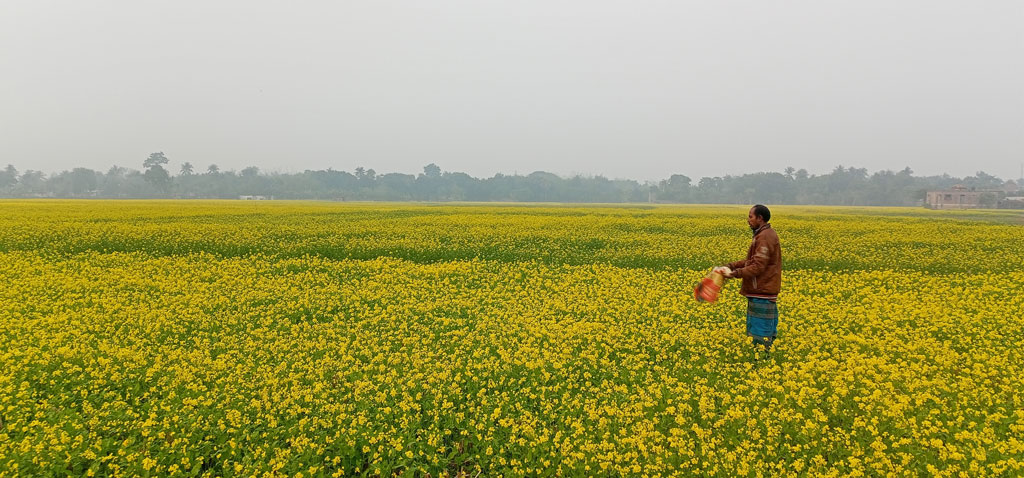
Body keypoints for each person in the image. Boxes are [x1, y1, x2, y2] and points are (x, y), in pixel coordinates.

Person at [714, 204, 782, 354]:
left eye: (750, 217)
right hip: (760, 290)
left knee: (760, 332)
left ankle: (761, 361)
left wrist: (734, 273)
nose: (748, 220)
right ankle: (761, 359)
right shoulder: (763, 235)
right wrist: (731, 266)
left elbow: (758, 266)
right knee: (760, 329)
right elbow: (752, 261)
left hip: (762, 290)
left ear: (760, 218)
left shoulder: (765, 237)